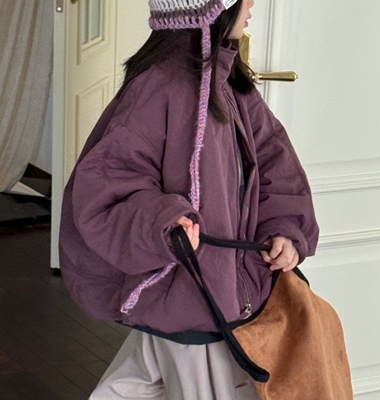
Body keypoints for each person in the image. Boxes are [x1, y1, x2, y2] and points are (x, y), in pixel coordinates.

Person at [59, 0, 319, 399]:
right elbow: (109, 185)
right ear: (210, 9)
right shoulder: (159, 86)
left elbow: (274, 163)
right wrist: (163, 222)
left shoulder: (229, 85)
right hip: (194, 296)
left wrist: (284, 228)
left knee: (134, 385)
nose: (251, 3)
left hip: (216, 291)